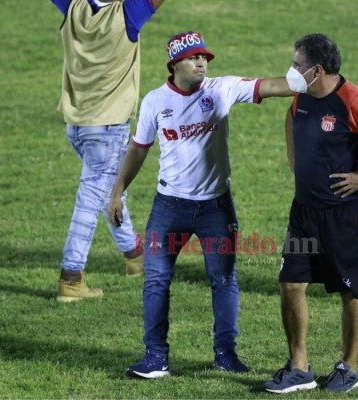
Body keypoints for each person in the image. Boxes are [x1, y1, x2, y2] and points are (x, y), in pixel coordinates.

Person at [108, 31, 306, 379]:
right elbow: (139, 148)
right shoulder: (155, 101)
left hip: (216, 208)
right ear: (174, 64)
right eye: (193, 57)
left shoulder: (221, 88)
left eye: (204, 57)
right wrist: (117, 191)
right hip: (169, 208)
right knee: (156, 280)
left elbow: (272, 86)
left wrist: (310, 76)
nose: (202, 62)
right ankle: (156, 358)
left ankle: (226, 354)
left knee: (224, 279)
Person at [262, 34, 358, 394]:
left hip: (344, 217)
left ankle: (348, 367)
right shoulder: (302, 96)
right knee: (291, 284)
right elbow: (291, 117)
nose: (292, 71)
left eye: (298, 65)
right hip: (303, 215)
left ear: (317, 70)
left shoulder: (353, 101)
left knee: (351, 292)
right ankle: (299, 367)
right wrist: (295, 161)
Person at [50, 0, 165, 302]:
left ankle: (135, 257)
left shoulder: (72, 5)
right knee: (90, 199)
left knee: (110, 192)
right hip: (108, 126)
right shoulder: (129, 13)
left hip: (76, 124)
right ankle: (71, 278)